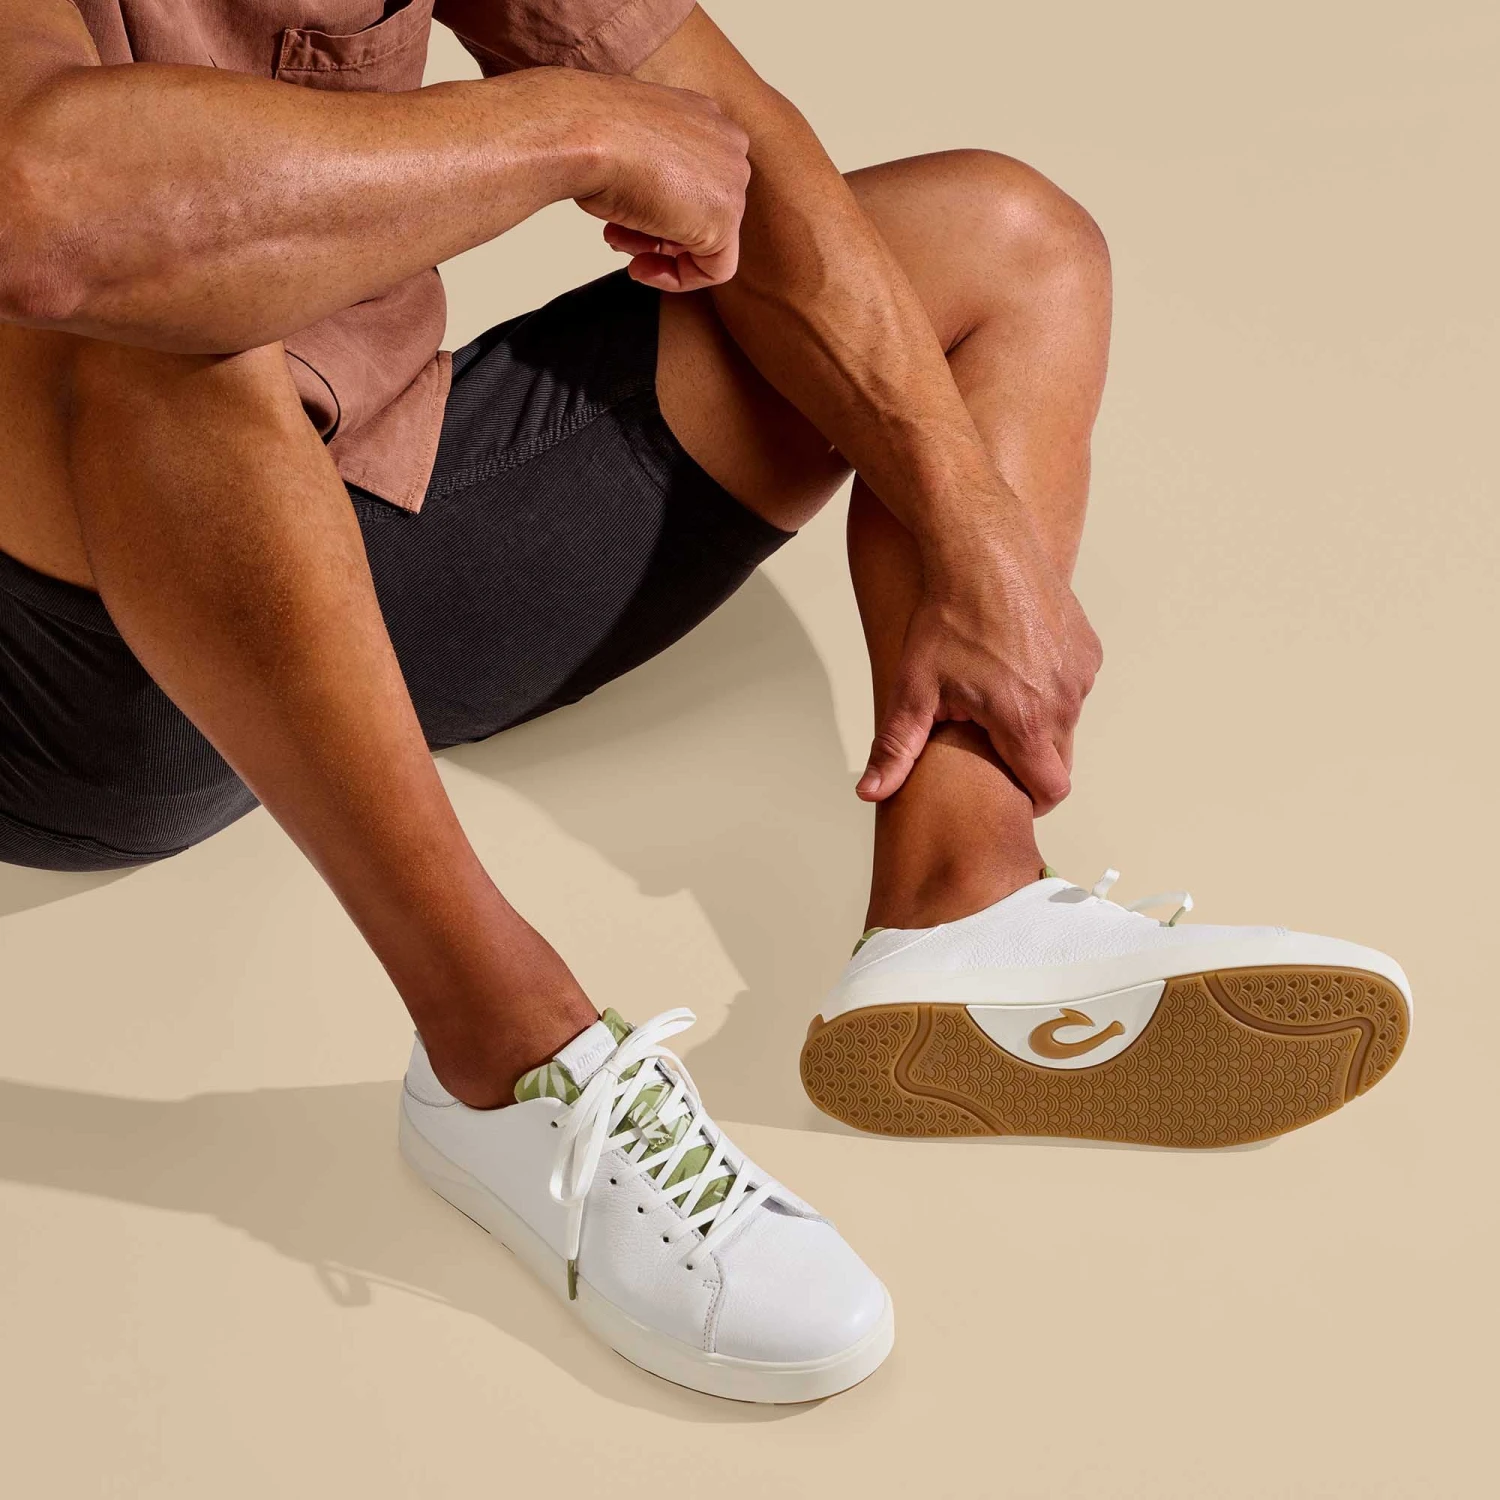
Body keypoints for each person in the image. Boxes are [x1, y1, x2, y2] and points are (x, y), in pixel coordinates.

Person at [0, 0, 1410, 1402]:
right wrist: (571, 125)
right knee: (160, 300)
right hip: (54, 668)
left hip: (336, 523)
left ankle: (963, 893)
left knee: (1005, 240)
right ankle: (504, 1061)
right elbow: (42, 206)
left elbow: (738, 146)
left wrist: (975, 531)